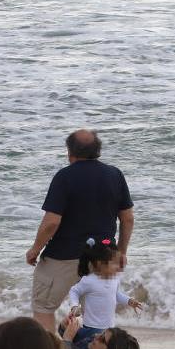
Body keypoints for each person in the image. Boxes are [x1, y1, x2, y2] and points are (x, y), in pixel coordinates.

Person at [26, 129, 134, 333]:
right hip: (103, 256)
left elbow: (51, 223)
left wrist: (35, 249)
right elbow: (127, 219)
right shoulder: (115, 175)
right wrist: (120, 252)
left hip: (64, 256)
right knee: (96, 314)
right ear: (98, 151)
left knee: (43, 308)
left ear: (70, 152)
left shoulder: (64, 177)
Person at [61, 237, 142, 349]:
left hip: (109, 328)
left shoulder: (115, 279)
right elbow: (74, 291)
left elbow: (116, 294)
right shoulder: (89, 280)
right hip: (91, 328)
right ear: (100, 264)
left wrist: (129, 301)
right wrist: (74, 306)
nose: (118, 266)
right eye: (114, 263)